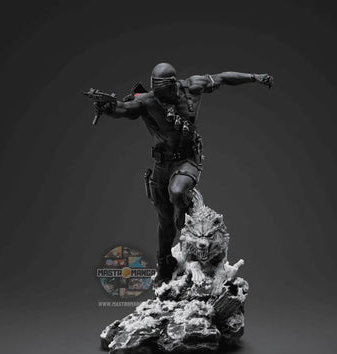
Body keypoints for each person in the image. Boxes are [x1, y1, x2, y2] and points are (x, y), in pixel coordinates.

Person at [93, 63, 273, 286]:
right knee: (164, 220)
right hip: (161, 163)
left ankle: (183, 212)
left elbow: (224, 77)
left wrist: (254, 76)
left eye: (162, 91)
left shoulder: (192, 87)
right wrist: (109, 107)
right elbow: (125, 109)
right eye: (155, 91)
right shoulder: (148, 101)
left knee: (177, 191)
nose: (159, 96)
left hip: (187, 160)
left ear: (172, 84)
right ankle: (165, 263)